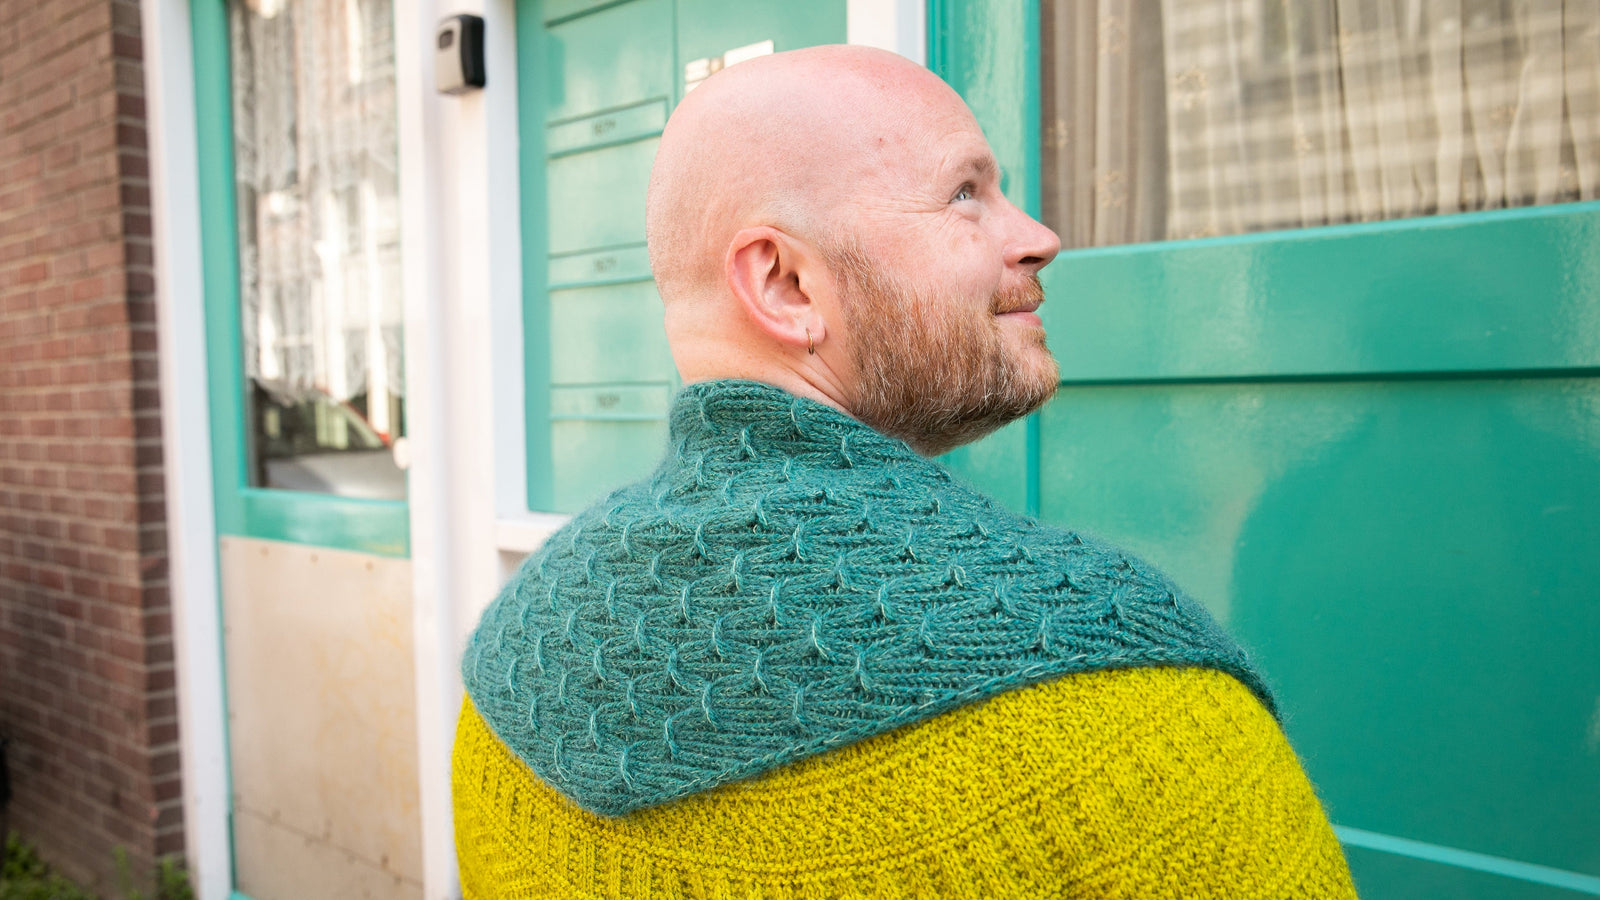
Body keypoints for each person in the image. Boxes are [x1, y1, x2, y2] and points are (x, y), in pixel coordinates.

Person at [453, 45, 1358, 899]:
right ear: (785, 286)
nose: (1038, 236)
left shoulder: (514, 664)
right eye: (966, 194)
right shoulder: (1125, 704)